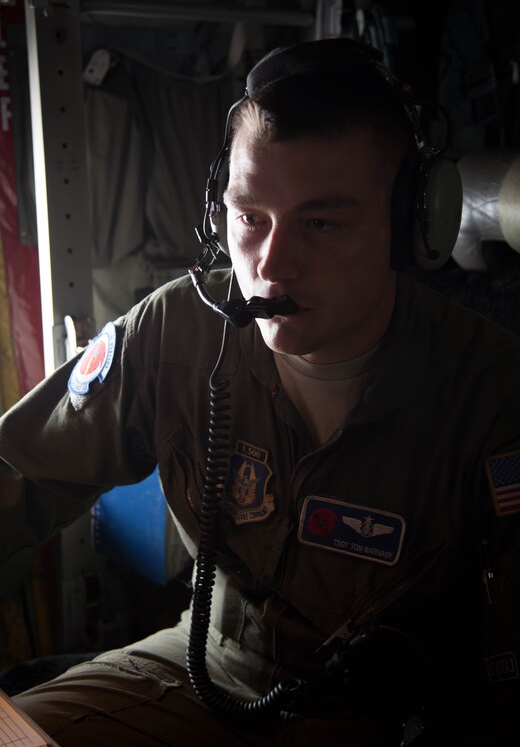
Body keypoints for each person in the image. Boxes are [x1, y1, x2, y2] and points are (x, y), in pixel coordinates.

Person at [0, 36, 519, 746]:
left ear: (411, 228)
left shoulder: (490, 392)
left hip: (387, 717)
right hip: (204, 669)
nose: (270, 265)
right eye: (249, 217)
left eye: (321, 223)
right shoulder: (180, 327)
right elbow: (22, 468)